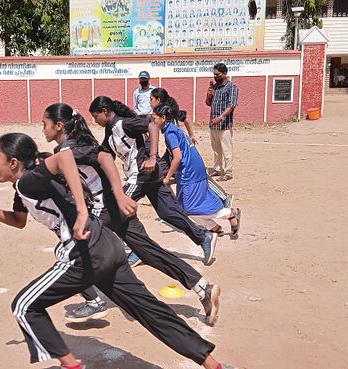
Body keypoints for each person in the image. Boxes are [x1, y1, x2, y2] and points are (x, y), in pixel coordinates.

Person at [0, 133, 231, 369]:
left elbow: (64, 157)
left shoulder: (28, 181)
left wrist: (81, 211)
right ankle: (213, 365)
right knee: (150, 310)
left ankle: (71, 365)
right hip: (107, 245)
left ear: (13, 162)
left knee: (24, 306)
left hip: (86, 254)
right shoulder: (25, 184)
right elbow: (18, 220)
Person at [41, 103, 221, 325]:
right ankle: (203, 288)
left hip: (105, 209)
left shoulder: (68, 150)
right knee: (149, 251)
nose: (43, 129)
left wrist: (119, 193)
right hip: (114, 207)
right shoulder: (79, 144)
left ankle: (94, 301)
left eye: (45, 124)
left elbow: (104, 159)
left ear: (59, 126)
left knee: (67, 249)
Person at [88, 96, 219, 265]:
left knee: (116, 206)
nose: (95, 120)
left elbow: (153, 126)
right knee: (168, 213)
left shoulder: (124, 124)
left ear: (105, 111)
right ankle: (203, 236)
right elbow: (105, 156)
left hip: (142, 175)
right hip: (149, 176)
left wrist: (152, 157)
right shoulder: (110, 131)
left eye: (95, 116)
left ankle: (139, 249)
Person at [149, 88, 241, 235]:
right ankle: (213, 227)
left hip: (190, 171)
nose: (152, 122)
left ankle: (230, 213)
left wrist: (167, 178)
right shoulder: (172, 128)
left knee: (191, 207)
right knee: (184, 207)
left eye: (154, 119)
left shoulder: (170, 133)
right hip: (192, 168)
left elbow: (178, 157)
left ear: (163, 118)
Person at [205, 63, 238, 182]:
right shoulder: (215, 87)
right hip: (213, 124)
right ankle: (218, 168)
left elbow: (231, 105)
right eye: (214, 74)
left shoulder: (231, 87)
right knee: (216, 149)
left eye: (217, 74)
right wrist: (208, 95)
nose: (215, 77)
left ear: (224, 73)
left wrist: (221, 117)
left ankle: (228, 172)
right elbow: (208, 103)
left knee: (226, 149)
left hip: (224, 125)